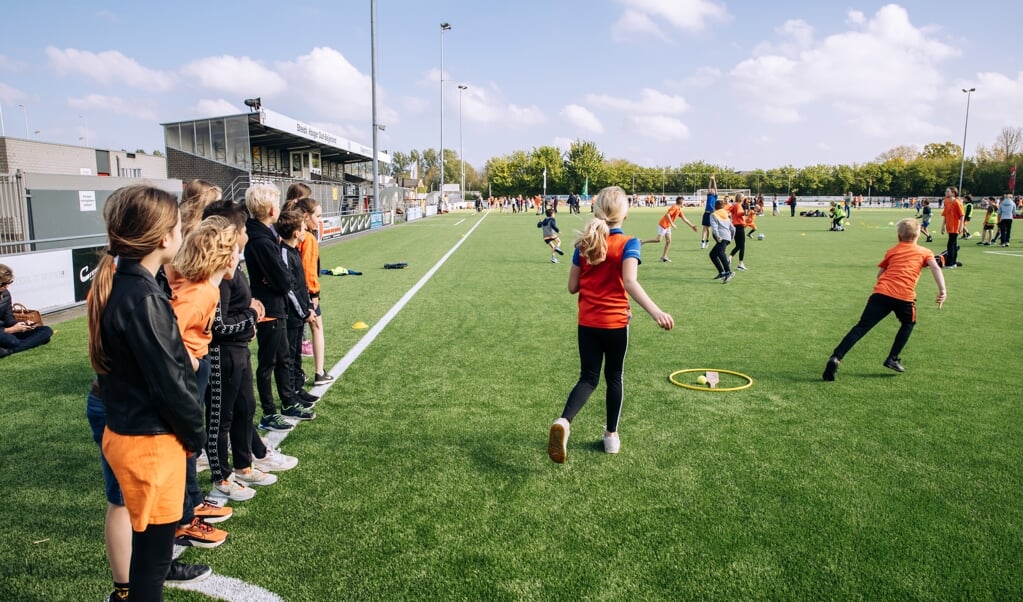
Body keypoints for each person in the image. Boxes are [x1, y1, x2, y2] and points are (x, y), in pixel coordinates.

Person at [87, 185, 207, 600]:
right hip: (150, 443)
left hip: (129, 433)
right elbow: (171, 381)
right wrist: (195, 437)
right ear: (162, 238)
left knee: (148, 555)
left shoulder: (122, 284)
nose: (180, 233)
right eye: (176, 227)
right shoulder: (141, 297)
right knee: (153, 563)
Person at [547, 186, 674, 464]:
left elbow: (571, 287)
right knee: (614, 377)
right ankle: (611, 437)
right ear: (624, 214)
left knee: (588, 378)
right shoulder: (630, 243)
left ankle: (564, 421)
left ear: (596, 210)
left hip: (587, 324)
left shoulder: (584, 244)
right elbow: (630, 282)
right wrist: (657, 312)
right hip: (615, 324)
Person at [822, 218, 947, 381]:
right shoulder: (925, 252)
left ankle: (836, 357)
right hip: (904, 296)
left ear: (898, 236)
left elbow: (880, 274)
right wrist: (942, 290)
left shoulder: (893, 251)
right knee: (908, 323)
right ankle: (893, 358)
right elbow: (936, 267)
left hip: (881, 293)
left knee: (861, 327)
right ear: (918, 236)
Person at [244, 184, 314, 431]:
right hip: (269, 308)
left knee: (283, 357)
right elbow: (283, 279)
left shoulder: (264, 235)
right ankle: (268, 413)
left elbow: (281, 276)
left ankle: (287, 402)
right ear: (272, 209)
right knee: (268, 362)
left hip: (276, 306)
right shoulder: (260, 240)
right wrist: (276, 278)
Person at [276, 208, 319, 413]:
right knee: (290, 355)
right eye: (303, 228)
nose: (305, 231)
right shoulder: (284, 252)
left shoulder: (294, 251)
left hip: (300, 312)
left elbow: (300, 285)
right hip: (291, 315)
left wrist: (309, 305)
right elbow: (289, 287)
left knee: (297, 354)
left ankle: (298, 388)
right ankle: (290, 394)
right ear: (295, 232)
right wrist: (303, 311)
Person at [289, 193, 333, 386]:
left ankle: (297, 374)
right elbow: (308, 270)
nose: (320, 220)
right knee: (317, 328)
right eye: (318, 216)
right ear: (306, 216)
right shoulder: (307, 238)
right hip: (306, 293)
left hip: (294, 292)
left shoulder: (294, 235)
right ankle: (319, 372)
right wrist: (313, 295)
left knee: (297, 335)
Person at [0, 264, 54, 357]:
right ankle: (31, 342)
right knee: (12, 341)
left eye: (9, 282)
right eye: (3, 284)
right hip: (4, 333)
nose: (7, 286)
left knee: (46, 330)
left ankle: (9, 351)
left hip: (6, 330)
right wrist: (11, 330)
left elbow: (9, 320)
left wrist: (23, 323)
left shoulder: (6, 294)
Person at [641, 196, 697, 262]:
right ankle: (642, 241)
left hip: (668, 226)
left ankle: (664, 257)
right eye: (683, 202)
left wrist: (692, 226)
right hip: (664, 224)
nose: (684, 204)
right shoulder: (675, 207)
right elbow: (668, 215)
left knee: (669, 241)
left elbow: (685, 219)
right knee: (658, 240)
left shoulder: (678, 209)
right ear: (681, 202)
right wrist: (672, 224)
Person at [708, 199, 735, 283]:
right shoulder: (726, 215)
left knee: (720, 253)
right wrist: (731, 237)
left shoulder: (713, 215)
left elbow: (714, 227)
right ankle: (722, 272)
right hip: (727, 237)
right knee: (713, 254)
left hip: (721, 237)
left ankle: (728, 272)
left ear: (715, 207)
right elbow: (733, 228)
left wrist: (717, 235)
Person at [939, 186, 964, 268]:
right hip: (949, 226)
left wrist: (961, 226)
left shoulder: (957, 202)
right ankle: (953, 262)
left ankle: (950, 263)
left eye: (947, 191)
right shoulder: (947, 202)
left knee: (951, 244)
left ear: (953, 193)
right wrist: (943, 226)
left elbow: (962, 215)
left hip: (955, 226)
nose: (946, 193)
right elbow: (945, 215)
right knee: (953, 244)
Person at [728, 194, 748, 269]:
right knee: (742, 246)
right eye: (743, 197)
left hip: (735, 227)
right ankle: (740, 264)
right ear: (741, 198)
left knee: (738, 245)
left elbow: (730, 211)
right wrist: (745, 212)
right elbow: (739, 213)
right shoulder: (738, 205)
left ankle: (730, 257)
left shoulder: (735, 205)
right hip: (739, 227)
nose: (744, 198)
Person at [699, 175, 718, 249]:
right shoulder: (709, 195)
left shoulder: (715, 196)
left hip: (712, 213)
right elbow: (709, 187)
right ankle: (702, 242)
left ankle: (707, 240)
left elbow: (715, 187)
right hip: (706, 213)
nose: (711, 190)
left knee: (708, 229)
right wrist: (710, 179)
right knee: (704, 228)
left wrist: (714, 180)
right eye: (711, 190)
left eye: (713, 190)